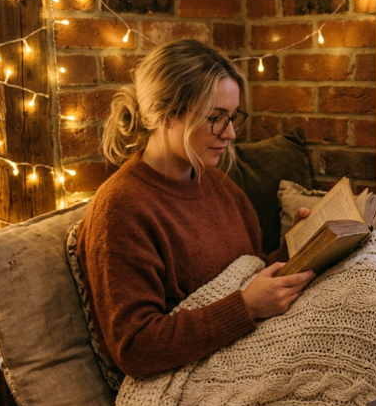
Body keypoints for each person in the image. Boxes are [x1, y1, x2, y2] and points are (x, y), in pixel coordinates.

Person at [76, 39, 315, 379]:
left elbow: (248, 275)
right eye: (216, 118)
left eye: (233, 117)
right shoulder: (120, 209)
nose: (230, 134)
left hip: (253, 348)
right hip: (192, 378)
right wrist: (245, 308)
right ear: (166, 115)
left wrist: (297, 247)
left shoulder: (219, 186)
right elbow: (135, 348)